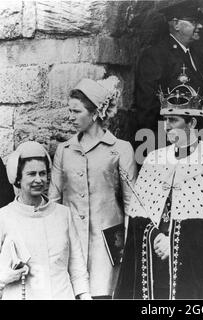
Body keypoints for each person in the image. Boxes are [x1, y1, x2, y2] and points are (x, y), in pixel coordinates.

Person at [114, 67, 203, 299]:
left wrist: (173, 243)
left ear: (191, 123)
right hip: (156, 264)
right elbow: (139, 222)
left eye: (173, 120)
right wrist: (156, 237)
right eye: (165, 120)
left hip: (197, 275)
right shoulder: (154, 160)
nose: (167, 126)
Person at [48, 76, 137, 298]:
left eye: (76, 111)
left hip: (107, 244)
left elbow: (131, 204)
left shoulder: (121, 149)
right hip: (71, 242)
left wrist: (128, 245)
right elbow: (53, 201)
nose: (71, 117)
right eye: (71, 111)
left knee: (104, 293)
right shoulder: (64, 150)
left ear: (95, 112)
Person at [0, 141, 90, 300]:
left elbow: (77, 267)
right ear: (18, 178)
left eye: (42, 173)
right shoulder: (5, 216)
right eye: (31, 174)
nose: (39, 179)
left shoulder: (63, 214)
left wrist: (85, 295)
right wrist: (3, 277)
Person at [135, 0, 203, 137]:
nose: (200, 26)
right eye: (193, 22)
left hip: (195, 140)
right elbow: (147, 107)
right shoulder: (156, 55)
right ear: (176, 24)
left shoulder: (196, 57)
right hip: (168, 141)